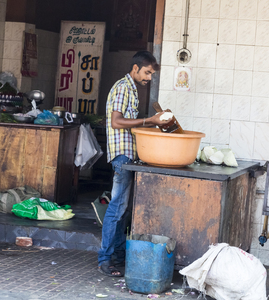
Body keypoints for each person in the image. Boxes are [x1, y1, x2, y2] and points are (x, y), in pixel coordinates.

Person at [98, 51, 170, 277]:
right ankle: (105, 259)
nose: (149, 77)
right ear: (136, 68)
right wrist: (150, 120)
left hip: (129, 155)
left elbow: (132, 125)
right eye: (147, 72)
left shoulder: (133, 90)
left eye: (152, 74)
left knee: (123, 208)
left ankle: (119, 254)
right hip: (122, 156)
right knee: (117, 208)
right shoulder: (122, 87)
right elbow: (117, 122)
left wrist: (157, 124)